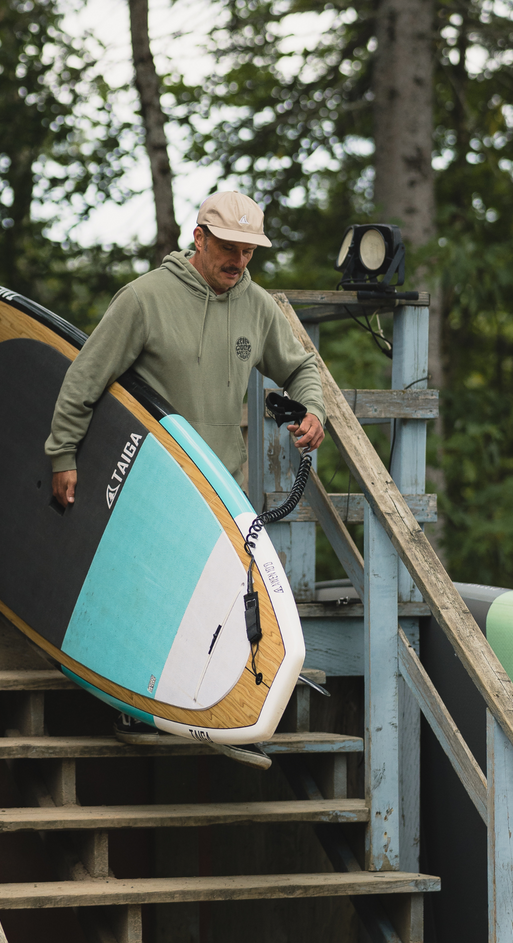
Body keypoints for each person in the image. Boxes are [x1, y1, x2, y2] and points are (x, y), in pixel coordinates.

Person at [44, 190, 326, 769]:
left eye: (249, 252)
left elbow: (300, 365)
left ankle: (236, 718)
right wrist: (62, 454)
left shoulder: (255, 304)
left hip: (223, 487)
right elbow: (85, 378)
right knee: (146, 592)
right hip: (154, 482)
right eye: (229, 249)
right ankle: (132, 706)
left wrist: (312, 408)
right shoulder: (144, 299)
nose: (239, 262)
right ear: (199, 238)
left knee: (232, 601)